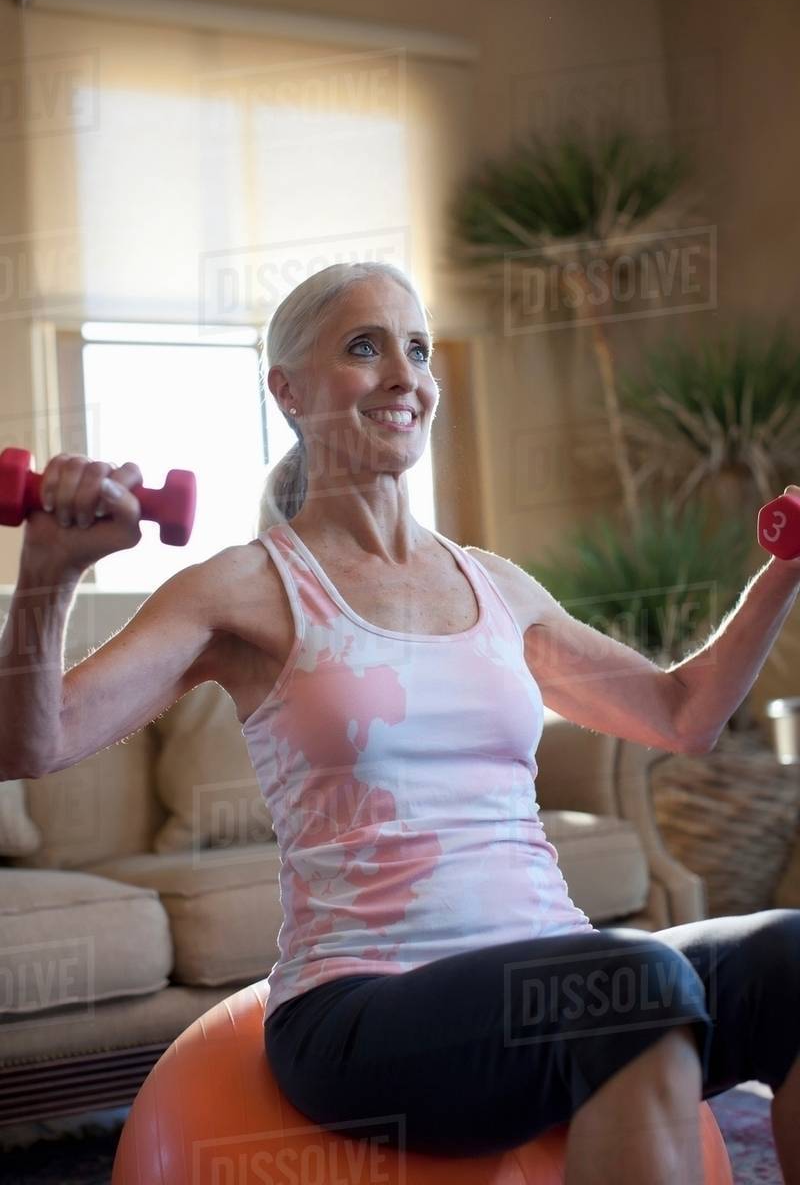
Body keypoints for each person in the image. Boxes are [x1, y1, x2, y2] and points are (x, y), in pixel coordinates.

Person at [2, 261, 799, 1185]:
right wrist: (49, 575)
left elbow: (681, 713)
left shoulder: (494, 583)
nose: (403, 375)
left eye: (417, 349)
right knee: (629, 985)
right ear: (286, 391)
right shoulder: (246, 588)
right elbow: (36, 740)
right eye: (363, 346)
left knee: (787, 957)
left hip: (555, 979)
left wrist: (784, 570)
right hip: (362, 1012)